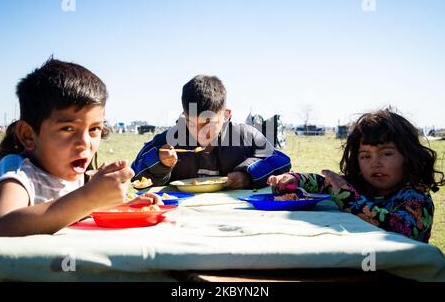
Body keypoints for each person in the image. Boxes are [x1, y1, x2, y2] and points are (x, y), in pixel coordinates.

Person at [0, 59, 160, 237]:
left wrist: (120, 204)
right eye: (68, 129)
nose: (85, 142)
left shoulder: (75, 175)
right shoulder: (19, 171)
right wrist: (88, 197)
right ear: (28, 135)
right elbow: (1, 226)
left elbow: (73, 212)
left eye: (94, 129)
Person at [267, 109, 444, 243]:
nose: (376, 163)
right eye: (366, 156)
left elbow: (398, 229)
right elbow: (325, 184)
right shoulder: (363, 185)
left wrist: (348, 198)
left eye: (387, 154)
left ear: (409, 155)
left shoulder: (416, 198)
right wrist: (297, 179)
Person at [131, 75, 291, 189]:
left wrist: (249, 175)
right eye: (192, 124)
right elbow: (136, 175)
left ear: (226, 114)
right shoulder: (168, 140)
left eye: (209, 124)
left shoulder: (245, 137)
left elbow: (282, 161)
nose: (201, 132)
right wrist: (160, 163)